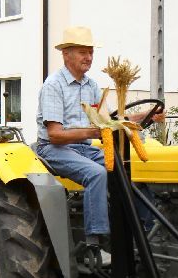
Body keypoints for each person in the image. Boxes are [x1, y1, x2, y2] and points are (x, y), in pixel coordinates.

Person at [35, 26, 162, 249]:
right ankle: (96, 240)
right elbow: (54, 135)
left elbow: (110, 120)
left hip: (83, 148)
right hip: (53, 149)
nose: (88, 57)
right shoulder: (53, 85)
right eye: (82, 52)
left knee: (127, 168)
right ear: (66, 54)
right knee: (96, 173)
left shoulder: (91, 86)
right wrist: (93, 132)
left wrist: (147, 115)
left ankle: (146, 227)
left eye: (91, 52)